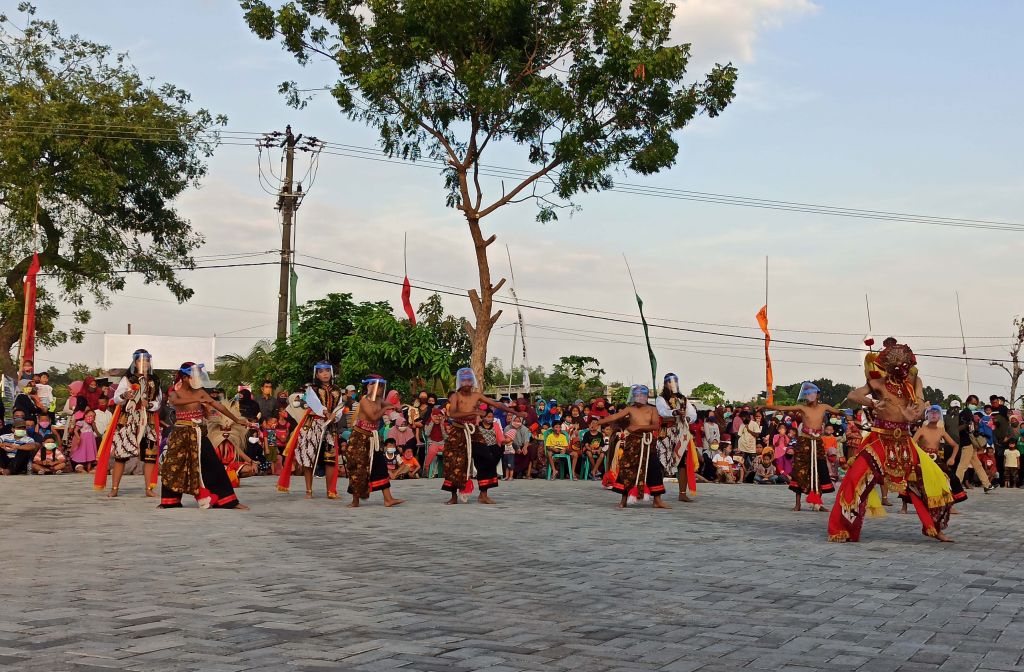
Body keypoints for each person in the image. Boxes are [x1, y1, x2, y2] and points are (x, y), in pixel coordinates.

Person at [828, 339, 954, 543]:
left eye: (906, 366)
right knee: (854, 479)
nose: (903, 371)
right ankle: (842, 529)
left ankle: (933, 528)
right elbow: (853, 395)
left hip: (904, 441)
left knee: (929, 482)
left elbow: (921, 402)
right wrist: (872, 402)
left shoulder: (914, 383)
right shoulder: (878, 383)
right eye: (898, 367)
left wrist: (914, 413)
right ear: (887, 367)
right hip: (879, 440)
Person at [158, 363, 249, 510]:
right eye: (194, 375)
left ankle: (228, 501)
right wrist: (197, 400)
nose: (197, 378)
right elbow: (174, 401)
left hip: (199, 433)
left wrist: (237, 419)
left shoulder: (200, 391)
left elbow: (218, 405)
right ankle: (169, 501)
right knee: (172, 466)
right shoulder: (175, 391)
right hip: (181, 433)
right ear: (186, 378)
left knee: (213, 465)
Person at [761, 383, 840, 512]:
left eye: (812, 393)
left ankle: (817, 503)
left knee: (819, 470)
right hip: (804, 442)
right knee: (800, 471)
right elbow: (784, 407)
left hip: (818, 442)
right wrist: (766, 406)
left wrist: (846, 415)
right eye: (807, 394)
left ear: (818, 395)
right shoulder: (802, 407)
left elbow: (837, 411)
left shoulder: (824, 407)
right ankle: (798, 504)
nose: (809, 396)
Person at [441, 367, 513, 504]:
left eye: (469, 380)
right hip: (458, 431)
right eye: (464, 381)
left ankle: (483, 494)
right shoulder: (455, 396)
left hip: (474, 431)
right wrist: (474, 413)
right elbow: (453, 414)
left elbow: (496, 404)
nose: (467, 383)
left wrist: (515, 412)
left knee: (486, 458)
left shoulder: (477, 395)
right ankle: (453, 496)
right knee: (455, 462)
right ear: (460, 382)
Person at [98, 349, 162, 498]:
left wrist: (150, 405)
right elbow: (116, 398)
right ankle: (114, 488)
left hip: (148, 420)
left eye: (146, 360)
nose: (144, 363)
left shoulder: (155, 380)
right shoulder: (127, 379)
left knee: (149, 455)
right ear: (135, 362)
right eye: (140, 360)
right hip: (128, 419)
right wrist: (125, 395)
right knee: (121, 455)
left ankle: (148, 489)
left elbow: (159, 402)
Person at [595, 384, 670, 509]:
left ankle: (657, 500)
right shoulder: (630, 409)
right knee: (626, 468)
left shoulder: (652, 409)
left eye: (641, 395)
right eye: (637, 395)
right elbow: (615, 416)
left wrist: (639, 427)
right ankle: (623, 499)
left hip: (647, 442)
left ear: (645, 397)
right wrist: (598, 422)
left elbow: (655, 426)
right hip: (633, 442)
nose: (639, 397)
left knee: (654, 468)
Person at [279, 362, 342, 498]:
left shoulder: (337, 390)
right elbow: (315, 403)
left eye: (327, 371)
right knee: (309, 457)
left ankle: (330, 491)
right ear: (317, 374)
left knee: (330, 458)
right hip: (313, 425)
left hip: (330, 426)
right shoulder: (311, 389)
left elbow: (340, 408)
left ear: (331, 372)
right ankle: (309, 490)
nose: (325, 373)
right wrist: (326, 413)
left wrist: (335, 417)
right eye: (321, 371)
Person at [344, 374, 404, 507]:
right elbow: (373, 417)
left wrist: (396, 406)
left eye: (381, 386)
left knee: (380, 466)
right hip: (359, 438)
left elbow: (393, 405)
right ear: (368, 386)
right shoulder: (364, 400)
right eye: (376, 385)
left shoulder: (379, 400)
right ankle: (355, 500)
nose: (379, 388)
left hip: (373, 438)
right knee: (358, 468)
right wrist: (385, 408)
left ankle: (388, 499)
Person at [911, 404, 967, 512]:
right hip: (922, 458)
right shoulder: (921, 430)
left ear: (940, 416)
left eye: (936, 413)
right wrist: (916, 458)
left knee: (950, 478)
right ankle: (905, 506)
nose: (934, 415)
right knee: (912, 479)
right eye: (931, 413)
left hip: (936, 459)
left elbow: (955, 445)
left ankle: (949, 505)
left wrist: (952, 458)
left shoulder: (941, 430)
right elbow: (912, 445)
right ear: (927, 415)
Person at [656, 372, 699, 502]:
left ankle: (682, 493)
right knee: (662, 462)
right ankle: (657, 493)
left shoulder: (683, 399)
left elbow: (693, 415)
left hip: (681, 434)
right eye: (669, 382)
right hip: (666, 433)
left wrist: (686, 416)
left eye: (674, 381)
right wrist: (674, 412)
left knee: (683, 463)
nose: (672, 384)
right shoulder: (661, 398)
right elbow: (662, 412)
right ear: (665, 383)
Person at [955, 395, 995, 492]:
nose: (974, 405)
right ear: (967, 402)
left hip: (970, 443)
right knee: (963, 465)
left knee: (977, 465)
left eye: (976, 404)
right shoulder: (965, 413)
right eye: (973, 403)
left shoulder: (967, 413)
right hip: (967, 442)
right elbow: (964, 428)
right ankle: (955, 486)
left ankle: (987, 484)